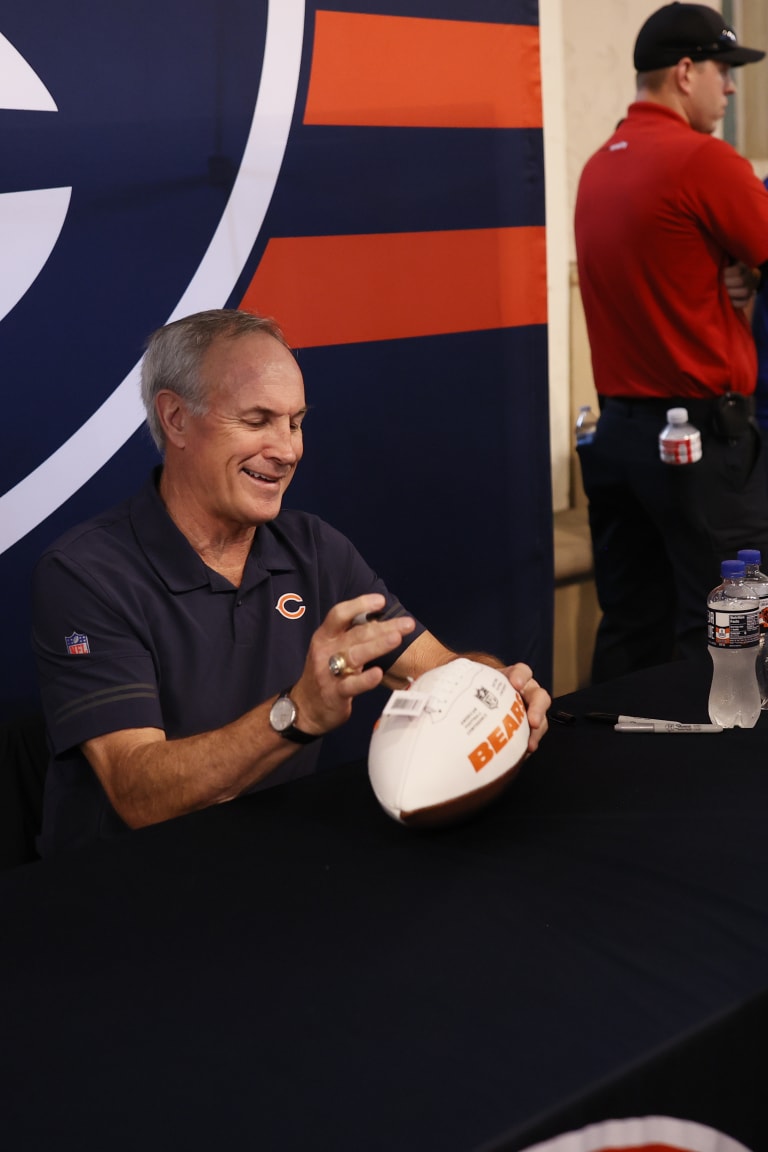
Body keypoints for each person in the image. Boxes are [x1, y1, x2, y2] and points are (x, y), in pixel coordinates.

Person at [31, 309, 550, 856]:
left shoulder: (314, 549)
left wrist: (500, 689)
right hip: (119, 903)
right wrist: (296, 712)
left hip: (279, 874)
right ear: (176, 419)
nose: (287, 450)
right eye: (257, 422)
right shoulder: (85, 574)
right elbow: (140, 794)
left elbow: (438, 668)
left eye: (296, 421)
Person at [574, 2, 768, 683]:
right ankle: (721, 782)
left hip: (621, 438)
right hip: (700, 445)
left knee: (632, 627)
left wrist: (729, 279)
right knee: (726, 630)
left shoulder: (598, 168)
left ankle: (613, 775)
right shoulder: (703, 161)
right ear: (686, 73)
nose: (732, 87)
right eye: (725, 71)